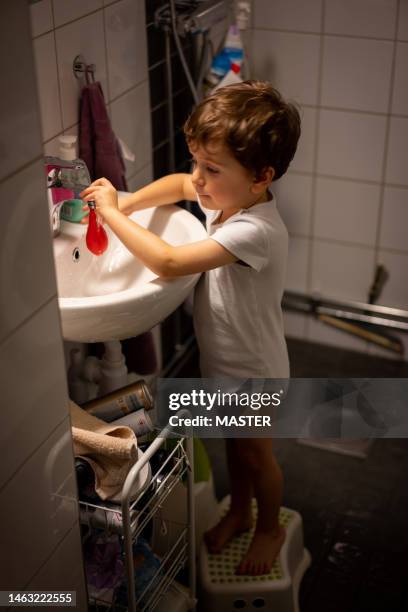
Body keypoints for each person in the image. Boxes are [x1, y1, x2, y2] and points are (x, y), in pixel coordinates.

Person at [80, 80, 301, 575]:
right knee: (233, 445)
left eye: (211, 169)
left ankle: (269, 528)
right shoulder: (227, 198)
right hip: (224, 361)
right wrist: (133, 201)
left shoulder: (255, 230)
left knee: (258, 457)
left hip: (255, 371)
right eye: (198, 162)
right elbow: (180, 186)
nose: (199, 179)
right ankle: (241, 512)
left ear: (261, 177)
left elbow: (171, 259)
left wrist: (114, 213)